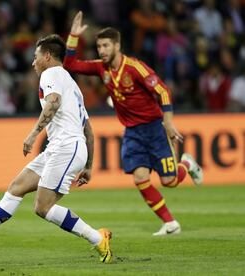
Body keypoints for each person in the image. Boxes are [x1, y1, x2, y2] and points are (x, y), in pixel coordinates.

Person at [0, 34, 113, 263]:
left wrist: (34, 134)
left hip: (66, 147)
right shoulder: (72, 85)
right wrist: (88, 165)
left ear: (47, 56)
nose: (33, 62)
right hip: (65, 147)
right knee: (16, 187)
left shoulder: (51, 74)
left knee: (43, 207)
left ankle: (97, 239)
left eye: (35, 57)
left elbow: (53, 102)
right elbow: (89, 131)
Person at [64, 12, 203, 236]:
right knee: (140, 178)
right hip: (132, 133)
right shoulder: (102, 68)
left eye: (106, 46)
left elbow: (162, 90)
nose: (102, 51)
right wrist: (73, 36)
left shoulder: (135, 68)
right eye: (99, 46)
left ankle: (187, 165)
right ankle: (170, 223)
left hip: (155, 129)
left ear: (117, 45)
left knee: (169, 181)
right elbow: (70, 63)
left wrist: (168, 121)